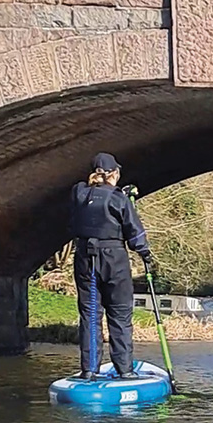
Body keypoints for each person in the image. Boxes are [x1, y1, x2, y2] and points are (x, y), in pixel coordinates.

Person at [69, 152, 155, 380]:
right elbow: (134, 234)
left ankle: (89, 370)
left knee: (91, 314)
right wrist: (146, 255)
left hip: (85, 259)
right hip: (113, 259)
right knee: (119, 313)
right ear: (115, 174)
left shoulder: (78, 193)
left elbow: (92, 198)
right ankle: (124, 370)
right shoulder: (119, 199)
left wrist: (119, 194)